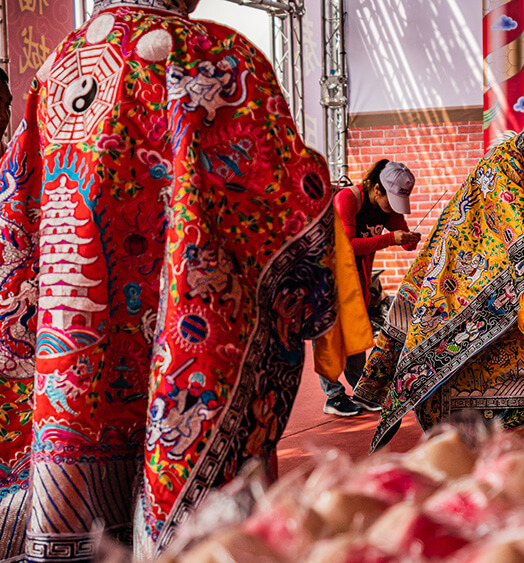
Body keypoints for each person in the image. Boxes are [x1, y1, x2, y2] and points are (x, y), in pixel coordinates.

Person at [0, 0, 370, 559]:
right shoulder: (213, 55)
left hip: (72, 367)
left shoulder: (60, 63)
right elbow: (286, 204)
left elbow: (16, 217)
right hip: (191, 362)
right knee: (201, 544)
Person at [354, 83, 524, 453]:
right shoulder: (502, 164)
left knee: (522, 393)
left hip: (515, 299)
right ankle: (454, 455)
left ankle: (514, 457)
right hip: (459, 290)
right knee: (454, 376)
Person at [314, 160, 421, 416]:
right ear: (376, 188)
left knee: (357, 330)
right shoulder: (348, 199)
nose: (392, 208)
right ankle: (333, 396)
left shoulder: (387, 208)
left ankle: (360, 390)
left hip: (357, 275)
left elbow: (406, 242)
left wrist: (410, 239)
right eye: (390, 201)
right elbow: (346, 245)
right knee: (330, 333)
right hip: (327, 272)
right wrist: (390, 239)